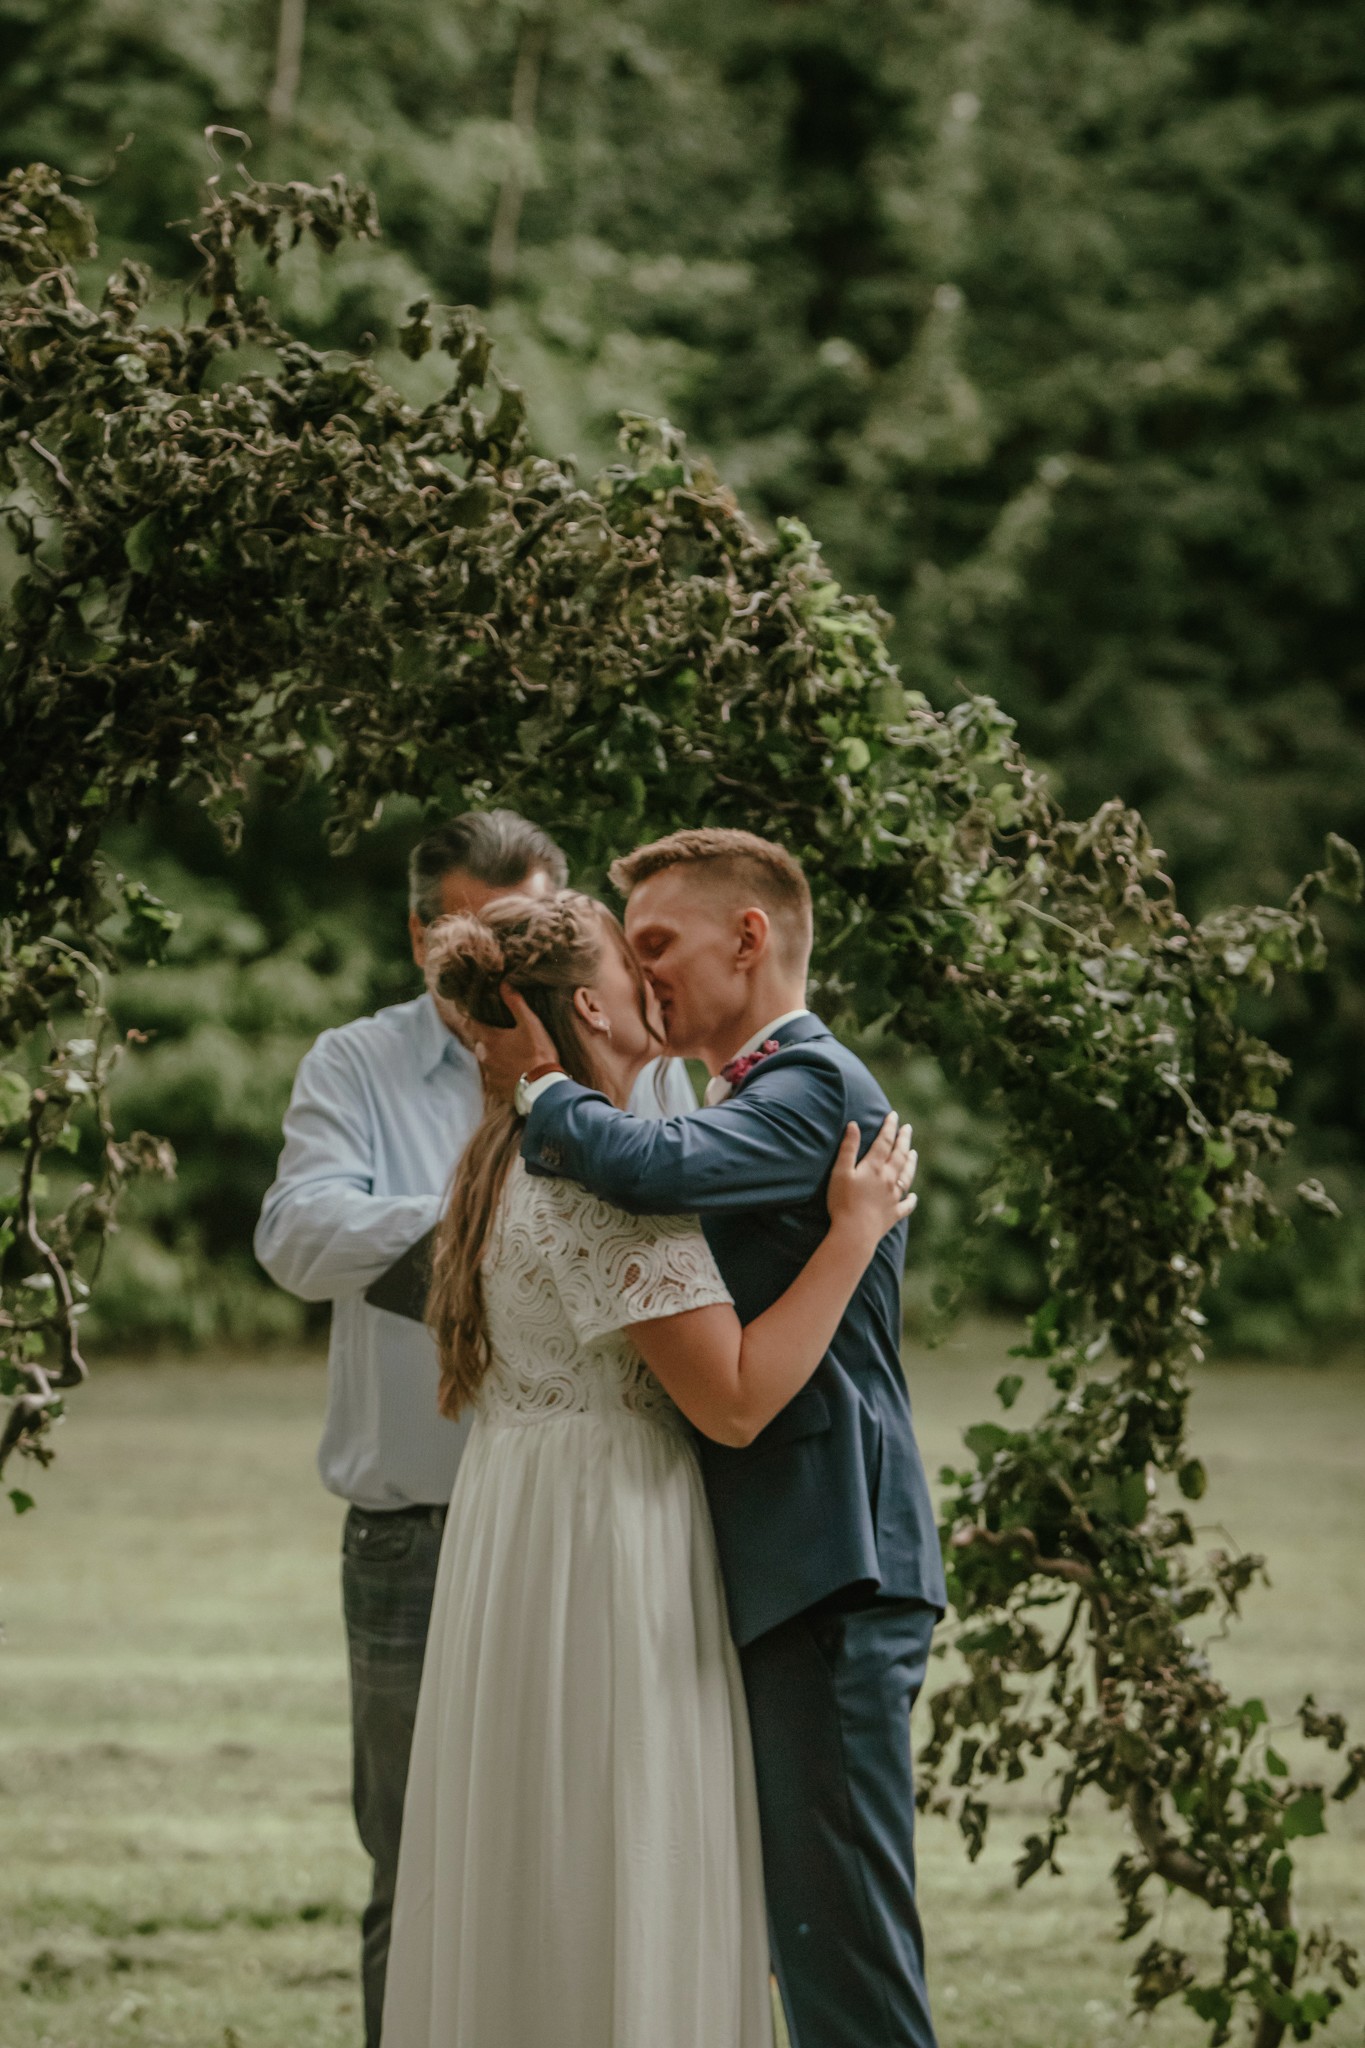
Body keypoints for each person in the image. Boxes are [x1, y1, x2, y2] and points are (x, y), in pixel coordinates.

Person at [380, 889, 916, 2048]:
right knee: (616, 1853)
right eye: (636, 964)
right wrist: (855, 1234)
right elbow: (734, 1400)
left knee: (536, 1860)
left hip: (517, 1543)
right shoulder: (612, 1188)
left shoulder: (499, 1162)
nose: (652, 985)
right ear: (591, 1005)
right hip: (613, 1557)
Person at [252, 811, 694, 2048]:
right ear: (420, 938)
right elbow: (296, 1235)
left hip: (596, 1527)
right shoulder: (357, 1062)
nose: (503, 963)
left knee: (593, 1845)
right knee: (418, 1862)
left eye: (528, 929)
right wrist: (501, 1232)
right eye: (474, 937)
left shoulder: (639, 1063)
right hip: (417, 1530)